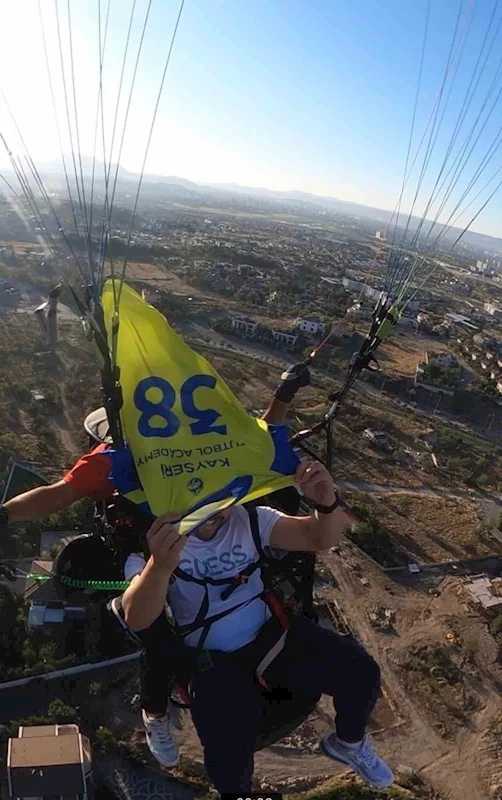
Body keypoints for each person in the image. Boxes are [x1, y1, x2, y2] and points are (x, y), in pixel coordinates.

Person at [0, 362, 312, 769]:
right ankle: (156, 711)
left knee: (256, 580)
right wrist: (5, 515)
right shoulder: (111, 462)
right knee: (158, 635)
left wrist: (283, 396)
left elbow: (257, 441)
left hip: (201, 534)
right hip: (143, 549)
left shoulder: (201, 440)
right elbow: (54, 496)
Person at [121, 461, 394, 793]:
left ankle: (348, 742)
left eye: (218, 502)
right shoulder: (152, 545)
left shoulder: (250, 520)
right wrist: (160, 567)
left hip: (271, 637)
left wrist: (325, 503)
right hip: (213, 660)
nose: (212, 516)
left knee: (361, 671)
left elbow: (318, 537)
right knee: (228, 754)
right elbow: (137, 617)